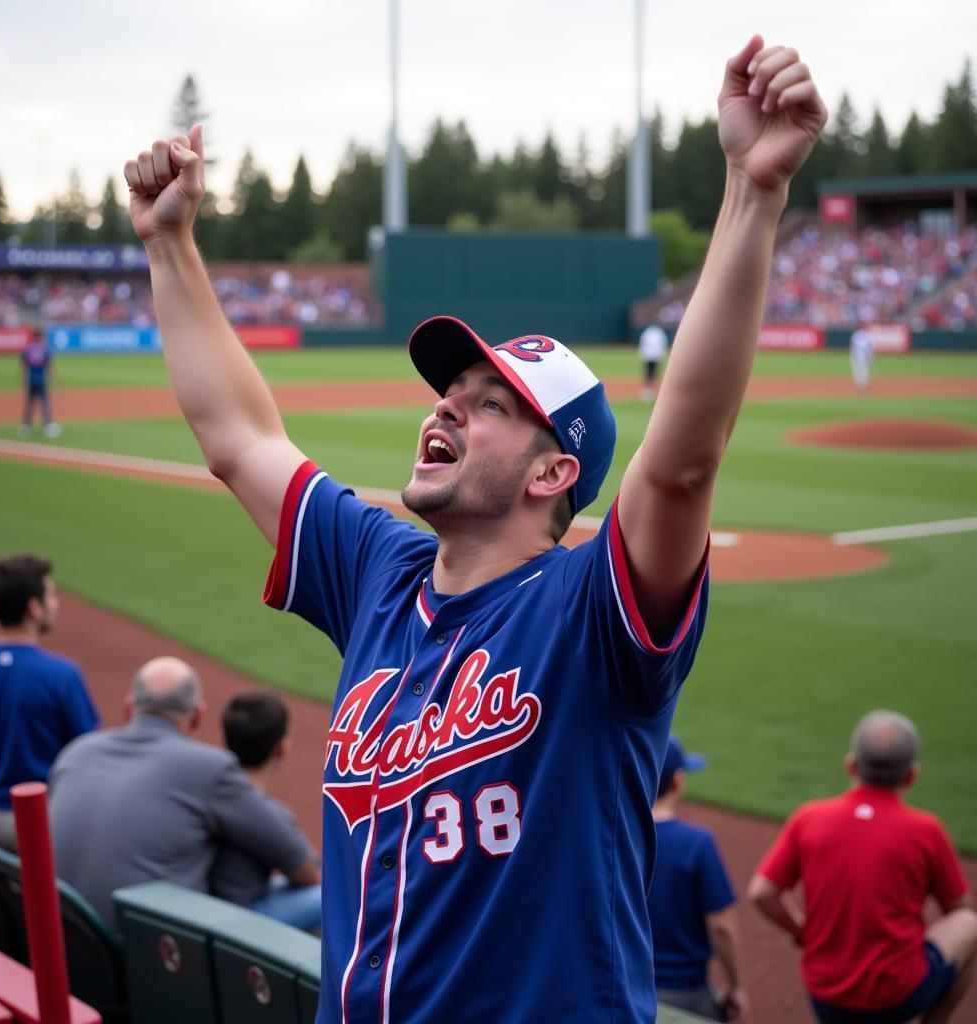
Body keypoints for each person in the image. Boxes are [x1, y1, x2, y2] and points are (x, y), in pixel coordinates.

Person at [122, 36, 825, 1023]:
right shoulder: (378, 568)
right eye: (448, 390)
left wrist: (752, 193)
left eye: (489, 403)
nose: (445, 408)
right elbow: (238, 438)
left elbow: (679, 465)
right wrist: (168, 244)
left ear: (554, 471)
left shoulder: (591, 613)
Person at [49, 657, 321, 929]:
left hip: (56, 938)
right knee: (328, 896)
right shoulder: (209, 767)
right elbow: (298, 862)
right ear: (197, 716)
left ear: (128, 707)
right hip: (144, 953)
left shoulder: (75, 752)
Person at [748, 711, 977, 1024]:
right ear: (911, 775)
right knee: (969, 923)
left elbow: (762, 893)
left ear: (851, 765)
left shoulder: (809, 818)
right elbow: (959, 909)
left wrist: (802, 932)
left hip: (826, 999)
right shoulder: (926, 831)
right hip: (900, 998)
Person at [0, 554, 98, 851]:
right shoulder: (61, 674)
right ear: (34, 608)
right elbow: (88, 751)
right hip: (47, 816)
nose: (56, 603)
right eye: (51, 596)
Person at [648, 737, 746, 1021]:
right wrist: (737, 987)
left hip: (625, 987)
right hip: (686, 994)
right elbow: (722, 926)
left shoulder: (614, 837)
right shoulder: (695, 843)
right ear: (677, 782)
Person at [212, 692, 323, 932]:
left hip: (212, 907)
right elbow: (311, 875)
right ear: (281, 748)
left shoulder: (210, 789)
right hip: (239, 922)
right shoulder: (265, 811)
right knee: (334, 896)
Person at [18, 329, 61, 438]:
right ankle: (48, 426)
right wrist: (51, 379)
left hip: (31, 379)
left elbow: (24, 366)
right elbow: (49, 365)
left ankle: (25, 427)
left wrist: (24, 380)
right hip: (41, 379)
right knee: (44, 402)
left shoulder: (28, 348)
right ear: (41, 337)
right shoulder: (44, 349)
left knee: (30, 403)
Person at [638, 322, 669, 400]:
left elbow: (643, 343)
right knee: (651, 373)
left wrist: (642, 354)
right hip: (653, 355)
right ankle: (648, 390)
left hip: (650, 355)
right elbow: (663, 344)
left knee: (650, 373)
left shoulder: (648, 332)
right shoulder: (659, 333)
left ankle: (649, 390)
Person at [849, 321, 874, 391]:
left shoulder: (856, 334)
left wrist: (852, 355)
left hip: (857, 353)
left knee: (858, 370)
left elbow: (853, 346)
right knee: (864, 370)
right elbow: (870, 346)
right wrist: (870, 356)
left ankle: (860, 384)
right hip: (863, 353)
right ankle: (864, 385)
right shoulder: (867, 334)